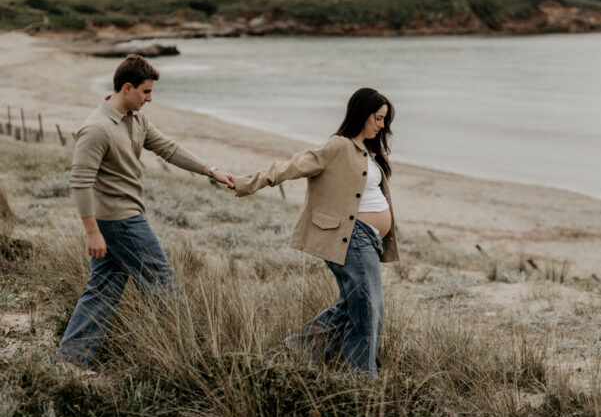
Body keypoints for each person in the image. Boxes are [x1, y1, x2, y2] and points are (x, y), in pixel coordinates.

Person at [58, 53, 234, 367]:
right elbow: (80, 183)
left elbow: (168, 147)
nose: (150, 98)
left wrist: (211, 170)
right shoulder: (96, 129)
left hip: (120, 219)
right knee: (163, 281)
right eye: (146, 92)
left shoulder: (136, 118)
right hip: (119, 221)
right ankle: (189, 357)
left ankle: (71, 362)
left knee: (102, 290)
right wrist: (92, 232)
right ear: (127, 88)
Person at [233, 88, 398, 378]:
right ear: (361, 114)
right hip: (352, 238)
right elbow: (292, 167)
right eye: (378, 118)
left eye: (385, 120)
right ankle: (362, 379)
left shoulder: (368, 150)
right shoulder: (338, 146)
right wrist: (249, 183)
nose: (381, 125)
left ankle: (292, 350)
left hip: (368, 241)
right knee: (369, 311)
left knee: (351, 310)